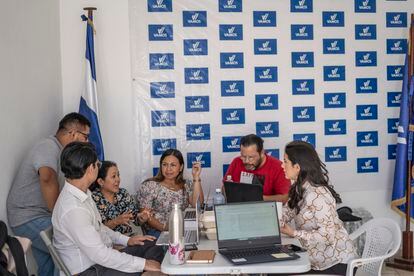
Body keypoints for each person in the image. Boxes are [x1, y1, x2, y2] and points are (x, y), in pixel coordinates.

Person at [52, 142, 164, 275]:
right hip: (91, 270)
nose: (98, 168)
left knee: (154, 244)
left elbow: (99, 227)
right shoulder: (74, 209)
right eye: (97, 164)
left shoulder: (83, 194)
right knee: (146, 267)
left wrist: (127, 240)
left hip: (101, 259)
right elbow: (100, 255)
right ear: (90, 169)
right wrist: (144, 264)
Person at [6, 112, 91, 276]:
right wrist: (59, 217)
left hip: (39, 216)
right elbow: (47, 177)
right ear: (73, 133)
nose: (87, 142)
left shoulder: (61, 152)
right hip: (28, 216)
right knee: (68, 246)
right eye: (85, 136)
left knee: (49, 263)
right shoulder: (48, 146)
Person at [280, 141, 356, 275]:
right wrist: (269, 220)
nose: (282, 165)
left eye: (285, 161)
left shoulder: (317, 195)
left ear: (297, 167)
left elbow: (327, 236)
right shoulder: (299, 188)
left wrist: (294, 233)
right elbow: (286, 213)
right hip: (315, 259)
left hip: (335, 263)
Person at [136, 148, 204, 238]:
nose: (168, 169)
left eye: (173, 165)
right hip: (158, 233)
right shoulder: (149, 185)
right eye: (165, 165)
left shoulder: (186, 184)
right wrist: (165, 228)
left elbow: (197, 204)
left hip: (182, 230)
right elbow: (146, 215)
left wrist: (196, 177)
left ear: (181, 167)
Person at [223, 134, 290, 202]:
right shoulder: (236, 162)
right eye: (243, 156)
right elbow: (223, 189)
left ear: (262, 153)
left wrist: (257, 198)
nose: (246, 161)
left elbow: (284, 197)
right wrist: (228, 190)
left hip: (266, 209)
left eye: (251, 157)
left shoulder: (278, 167)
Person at [90, 160, 151, 235]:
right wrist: (116, 221)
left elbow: (136, 219)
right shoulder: (93, 199)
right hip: (106, 241)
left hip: (128, 238)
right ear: (101, 182)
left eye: (118, 175)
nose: (118, 179)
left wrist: (142, 217)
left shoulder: (123, 193)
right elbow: (97, 230)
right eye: (113, 176)